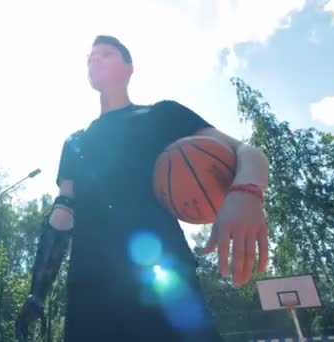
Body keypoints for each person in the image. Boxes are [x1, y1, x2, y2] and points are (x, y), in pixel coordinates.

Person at [16, 35, 269, 342]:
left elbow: (247, 152)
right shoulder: (75, 142)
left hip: (165, 278)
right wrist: (37, 290)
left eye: (106, 54)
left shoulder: (163, 115)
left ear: (129, 68)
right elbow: (62, 213)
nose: (95, 60)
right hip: (90, 288)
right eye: (90, 58)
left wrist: (246, 193)